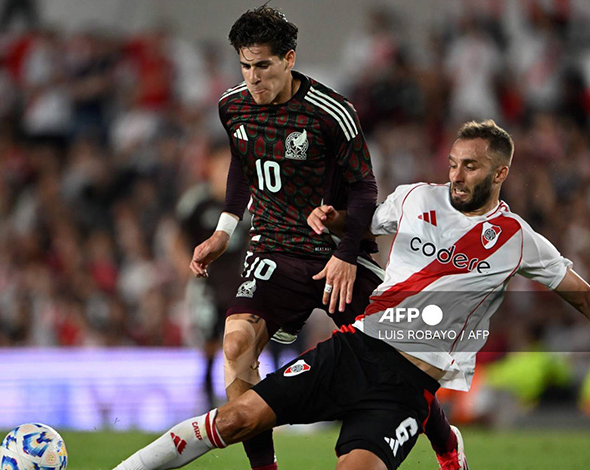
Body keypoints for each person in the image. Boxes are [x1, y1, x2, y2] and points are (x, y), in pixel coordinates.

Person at [112, 119, 590, 470]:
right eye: (455, 163)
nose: (457, 175)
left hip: (409, 384)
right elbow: (365, 223)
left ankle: (443, 437)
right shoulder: (416, 196)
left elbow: (573, 288)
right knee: (235, 419)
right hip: (356, 348)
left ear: (501, 172)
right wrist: (335, 217)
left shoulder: (518, 238)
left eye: (472, 166)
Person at [186, 6, 459, 470]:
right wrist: (223, 230)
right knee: (236, 347)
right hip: (271, 249)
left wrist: (348, 255)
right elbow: (241, 161)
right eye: (245, 66)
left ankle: (447, 446)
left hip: (333, 252)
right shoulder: (231, 106)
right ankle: (263, 467)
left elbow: (364, 187)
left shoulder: (331, 113)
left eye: (264, 66)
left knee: (399, 356)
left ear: (289, 59)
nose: (253, 78)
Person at [175, 144, 249, 409]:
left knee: (243, 341)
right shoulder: (197, 202)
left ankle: (244, 398)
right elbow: (177, 238)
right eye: (221, 166)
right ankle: (206, 397)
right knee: (208, 341)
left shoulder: (249, 201)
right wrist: (187, 266)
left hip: (242, 284)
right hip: (207, 285)